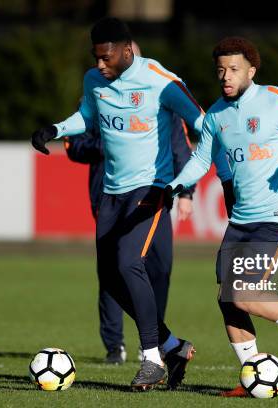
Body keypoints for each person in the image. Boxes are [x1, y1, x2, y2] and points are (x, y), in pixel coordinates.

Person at [31, 18, 232, 390]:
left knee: (128, 262)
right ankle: (172, 346)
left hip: (151, 188)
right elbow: (87, 117)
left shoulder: (160, 79)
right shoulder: (95, 81)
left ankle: (151, 358)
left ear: (126, 50)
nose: (100, 65)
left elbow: (203, 124)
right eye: (96, 58)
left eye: (106, 58)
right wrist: (55, 130)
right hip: (110, 193)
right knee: (110, 276)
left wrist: (185, 181)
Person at [167, 37, 278, 397]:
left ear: (251, 70)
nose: (225, 76)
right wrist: (171, 186)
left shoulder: (275, 100)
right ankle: (252, 375)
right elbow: (202, 160)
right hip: (240, 220)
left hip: (277, 217)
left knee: (243, 294)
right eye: (220, 70)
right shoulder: (215, 115)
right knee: (227, 297)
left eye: (233, 69)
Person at [65, 41, 196, 363]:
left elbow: (181, 142)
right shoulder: (96, 93)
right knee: (115, 271)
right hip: (109, 196)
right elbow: (74, 145)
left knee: (158, 268)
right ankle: (116, 347)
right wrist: (107, 143)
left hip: (153, 193)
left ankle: (154, 343)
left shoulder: (157, 94)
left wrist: (186, 191)